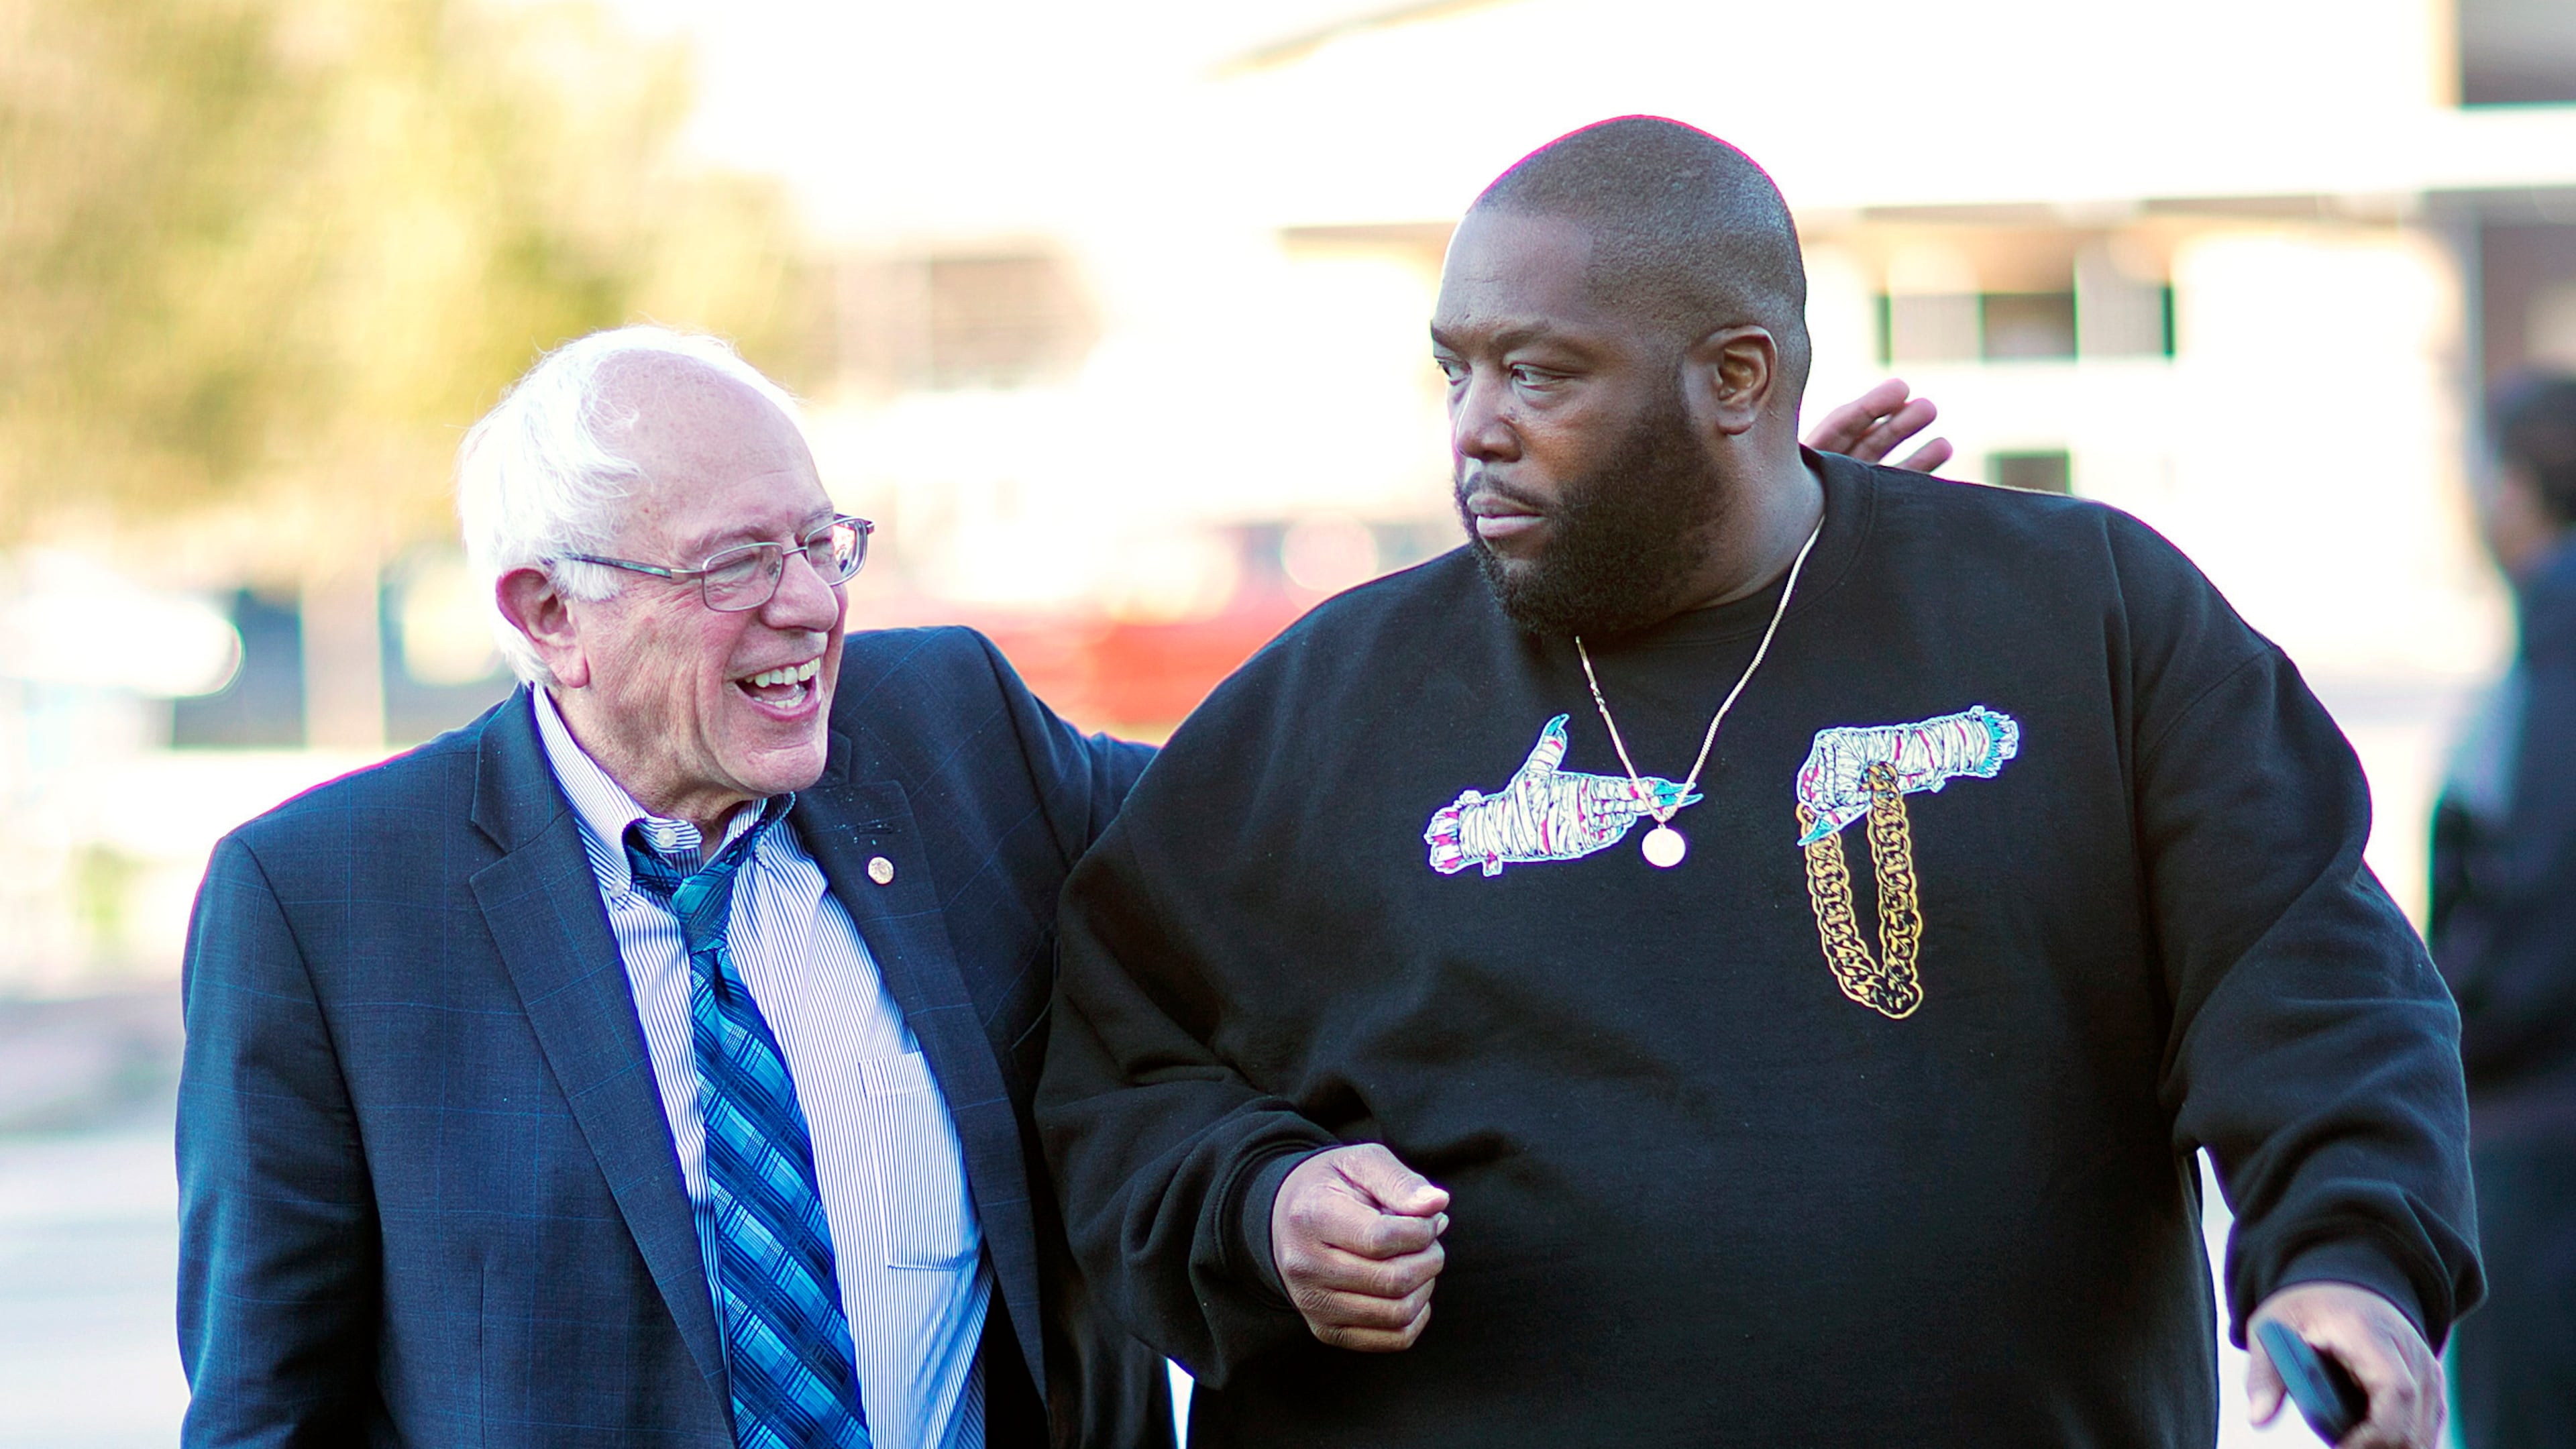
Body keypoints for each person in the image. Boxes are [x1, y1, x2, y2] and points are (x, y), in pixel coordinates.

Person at [1036, 117, 2482, 1448]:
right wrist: (1257, 1201)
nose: (1474, 424)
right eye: (1455, 367)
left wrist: (2349, 1261)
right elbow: (1119, 1059)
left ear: (1737, 379)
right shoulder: (1328, 703)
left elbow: (2309, 973)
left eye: (1537, 371)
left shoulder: (2080, 614)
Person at [175, 327, 1171, 1448]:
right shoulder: (324, 905)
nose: (810, 605)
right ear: (550, 614)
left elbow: (1264, 827)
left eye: (819, 542)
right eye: (736, 564)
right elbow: (271, 1408)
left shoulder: (953, 733)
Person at [2430, 373, 2576, 1448]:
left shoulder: (2553, 666)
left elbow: (2528, 915)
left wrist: (2443, 1032)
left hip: (2537, 1146)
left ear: (2517, 492)